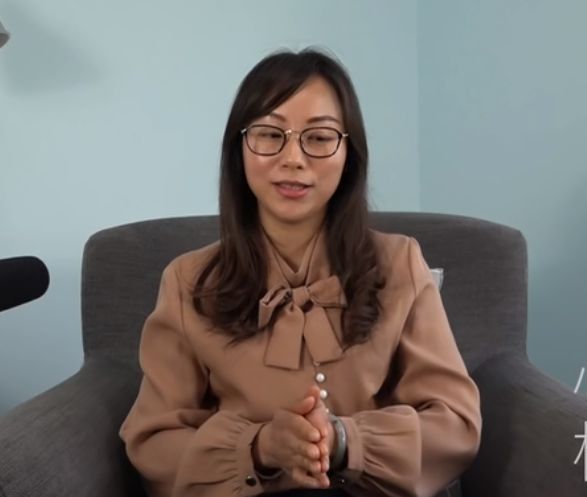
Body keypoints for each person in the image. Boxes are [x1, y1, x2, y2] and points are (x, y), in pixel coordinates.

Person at [119, 47, 481, 497]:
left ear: (349, 153)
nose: (293, 158)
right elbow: (153, 441)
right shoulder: (188, 281)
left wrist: (344, 441)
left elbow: (456, 423)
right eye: (270, 134)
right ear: (239, 148)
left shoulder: (401, 263)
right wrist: (259, 449)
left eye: (320, 137)